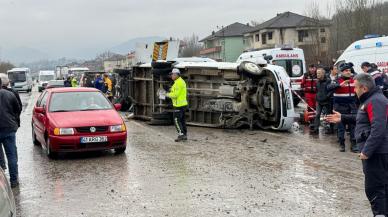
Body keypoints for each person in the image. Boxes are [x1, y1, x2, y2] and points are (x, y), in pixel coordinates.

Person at [326, 73, 388, 216]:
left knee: (375, 189)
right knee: (379, 188)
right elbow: (363, 119)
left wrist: (366, 151)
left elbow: (378, 129)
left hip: (376, 154)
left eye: (355, 87)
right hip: (377, 152)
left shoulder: (375, 101)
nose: (354, 90)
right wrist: (343, 118)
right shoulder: (371, 100)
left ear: (364, 88)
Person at [327, 62, 358, 152]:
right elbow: (328, 87)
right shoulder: (337, 80)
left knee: (353, 127)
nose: (348, 72)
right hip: (340, 108)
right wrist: (340, 85)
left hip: (352, 107)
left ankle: (354, 145)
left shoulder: (354, 80)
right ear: (342, 72)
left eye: (349, 70)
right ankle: (342, 144)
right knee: (341, 128)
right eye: (346, 70)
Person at [0, 77, 21, 188]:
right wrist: (14, 121)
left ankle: (1, 183)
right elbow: (17, 109)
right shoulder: (10, 94)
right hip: (9, 128)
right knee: (11, 155)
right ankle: (13, 181)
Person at [166, 68, 188, 142]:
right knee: (182, 121)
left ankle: (181, 135)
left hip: (179, 105)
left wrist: (166, 94)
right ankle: (184, 134)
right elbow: (175, 90)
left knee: (176, 121)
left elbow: (175, 95)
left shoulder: (178, 83)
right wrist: (170, 90)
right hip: (182, 104)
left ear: (176, 74)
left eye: (172, 74)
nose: (171, 76)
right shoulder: (178, 81)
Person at [311, 68, 332, 134]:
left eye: (319, 73)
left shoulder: (328, 81)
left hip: (327, 101)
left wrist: (327, 96)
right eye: (317, 73)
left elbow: (331, 90)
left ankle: (330, 129)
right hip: (319, 101)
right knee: (317, 114)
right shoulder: (317, 81)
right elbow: (317, 90)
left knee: (328, 115)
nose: (318, 74)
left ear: (323, 74)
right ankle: (316, 129)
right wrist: (317, 96)